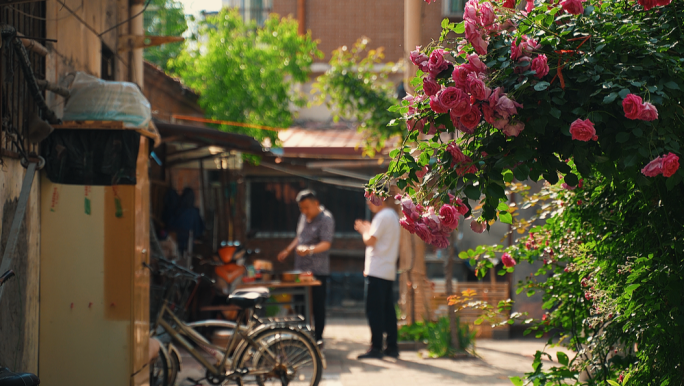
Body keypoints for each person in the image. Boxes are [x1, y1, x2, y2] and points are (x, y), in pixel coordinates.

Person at [277, 190, 335, 344]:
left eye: (307, 207)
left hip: (317, 271)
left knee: (317, 306)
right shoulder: (303, 217)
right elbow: (299, 237)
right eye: (301, 208)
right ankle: (302, 337)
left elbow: (326, 243)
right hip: (300, 270)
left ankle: (318, 339)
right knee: (300, 304)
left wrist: (309, 250)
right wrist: (288, 250)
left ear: (316, 203)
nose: (304, 211)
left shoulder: (326, 219)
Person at [354, 195, 401, 359]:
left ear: (382, 198)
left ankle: (376, 347)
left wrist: (364, 230)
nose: (368, 202)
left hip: (378, 270)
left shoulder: (383, 216)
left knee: (375, 311)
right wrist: (369, 229)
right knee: (388, 311)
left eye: (371, 198)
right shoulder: (392, 215)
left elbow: (370, 240)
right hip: (387, 270)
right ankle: (392, 347)